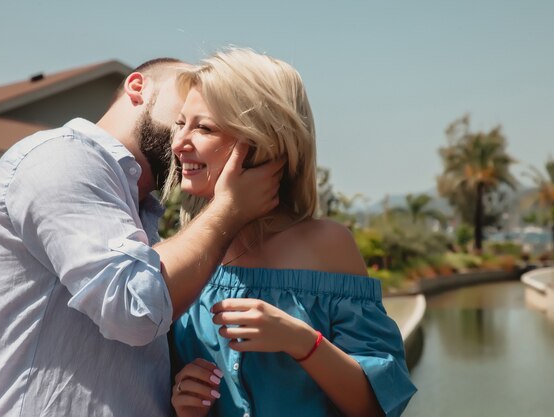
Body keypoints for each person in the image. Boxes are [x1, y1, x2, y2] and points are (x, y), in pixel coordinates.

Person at [0, 57, 283, 417]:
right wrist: (229, 210)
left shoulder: (137, 206)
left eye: (205, 123)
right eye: (181, 116)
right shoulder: (61, 158)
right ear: (138, 87)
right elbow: (135, 310)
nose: (184, 137)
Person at [167, 48, 417, 417]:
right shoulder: (178, 255)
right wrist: (182, 401)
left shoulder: (328, 245)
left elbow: (378, 405)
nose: (178, 143)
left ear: (264, 140)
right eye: (180, 123)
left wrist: (300, 340)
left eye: (203, 127)